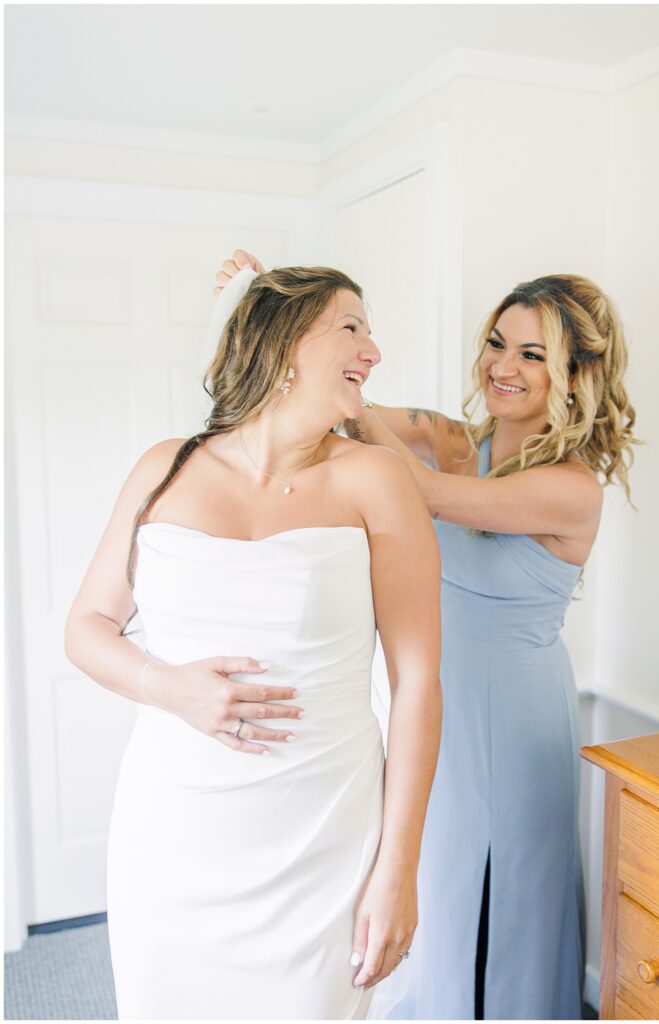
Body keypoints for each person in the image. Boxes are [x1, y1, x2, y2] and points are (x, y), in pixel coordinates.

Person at [214, 253, 636, 1020]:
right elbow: (343, 402)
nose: (502, 366)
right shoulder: (449, 437)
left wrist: (366, 430)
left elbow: (431, 497)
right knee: (435, 886)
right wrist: (284, 304)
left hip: (515, 720)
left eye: (531, 354)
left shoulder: (571, 489)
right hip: (434, 704)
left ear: (573, 375)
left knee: (508, 895)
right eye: (496, 343)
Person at [65, 265, 442, 1020]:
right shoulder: (165, 467)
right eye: (351, 327)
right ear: (286, 344)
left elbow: (419, 684)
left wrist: (396, 870)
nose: (372, 348)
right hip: (173, 830)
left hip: (321, 838)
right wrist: (168, 687)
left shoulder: (376, 480)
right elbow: (86, 628)